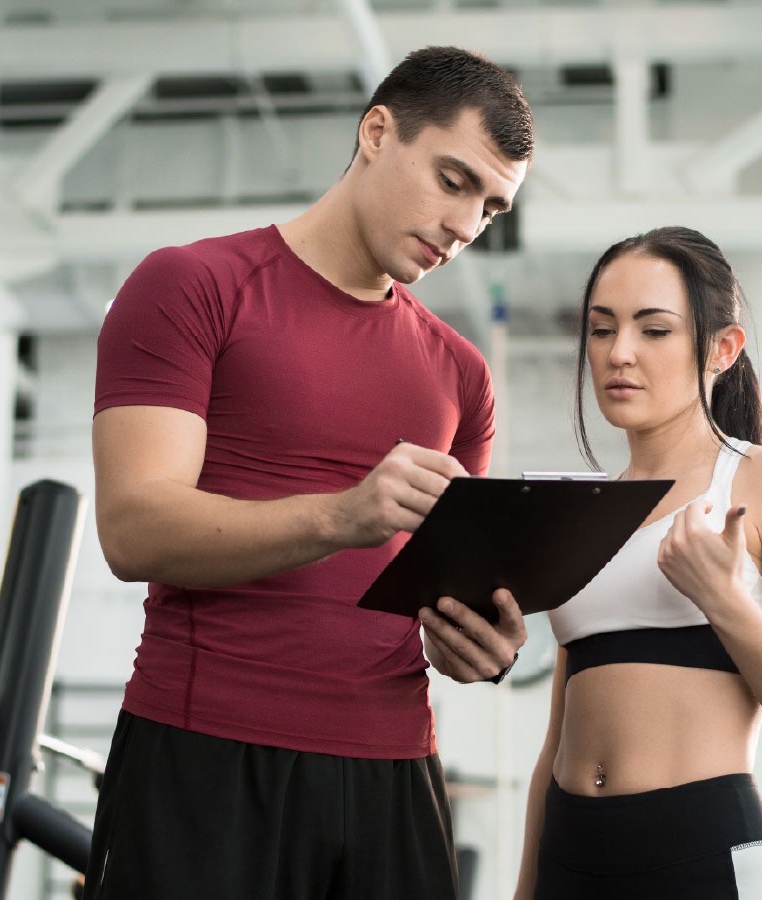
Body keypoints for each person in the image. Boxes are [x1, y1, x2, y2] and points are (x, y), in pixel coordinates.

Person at [84, 46, 533, 900]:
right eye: (452, 180)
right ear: (376, 133)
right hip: (206, 754)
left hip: (393, 774)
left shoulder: (463, 375)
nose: (467, 225)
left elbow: (445, 591)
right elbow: (133, 527)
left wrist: (483, 644)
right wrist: (340, 516)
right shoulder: (193, 285)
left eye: (491, 207)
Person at [514, 226, 762, 899]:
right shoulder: (579, 514)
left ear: (722, 348)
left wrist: (724, 600)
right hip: (572, 849)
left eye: (654, 330)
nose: (620, 353)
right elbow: (556, 740)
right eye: (601, 329)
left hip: (700, 849)